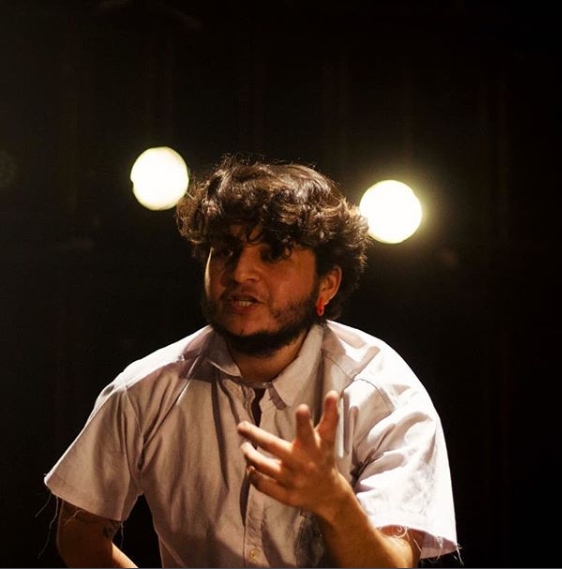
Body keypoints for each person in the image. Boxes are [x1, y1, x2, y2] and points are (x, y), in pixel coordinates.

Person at [44, 156, 458, 568]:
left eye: (273, 254)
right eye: (225, 251)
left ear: (327, 284)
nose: (240, 272)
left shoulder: (386, 398)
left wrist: (334, 503)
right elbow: (79, 533)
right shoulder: (145, 390)